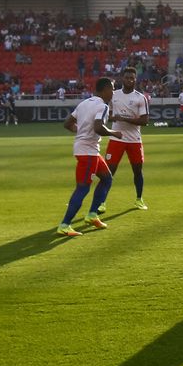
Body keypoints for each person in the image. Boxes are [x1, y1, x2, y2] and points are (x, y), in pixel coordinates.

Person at [58, 77, 118, 237]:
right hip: (88, 153)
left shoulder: (84, 103)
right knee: (83, 188)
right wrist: (114, 133)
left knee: (107, 179)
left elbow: (67, 123)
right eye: (112, 89)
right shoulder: (103, 106)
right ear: (104, 90)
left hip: (89, 150)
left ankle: (92, 215)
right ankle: (64, 225)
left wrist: (82, 131)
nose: (113, 92)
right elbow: (99, 127)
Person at [101, 66, 151, 212]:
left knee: (137, 171)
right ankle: (101, 202)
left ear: (136, 80)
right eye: (127, 77)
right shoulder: (113, 95)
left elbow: (145, 121)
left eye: (132, 78)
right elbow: (107, 114)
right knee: (109, 171)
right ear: (122, 78)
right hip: (116, 138)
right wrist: (111, 117)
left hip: (134, 140)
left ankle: (139, 199)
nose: (129, 80)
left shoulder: (140, 98)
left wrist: (123, 118)